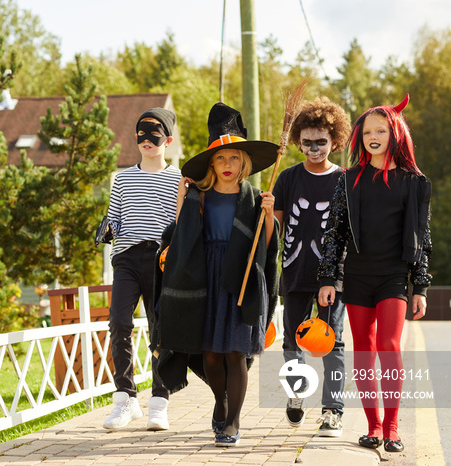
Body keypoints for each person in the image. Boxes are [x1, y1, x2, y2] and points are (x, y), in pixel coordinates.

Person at [154, 102, 280, 447]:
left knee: (235, 352)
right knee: (210, 352)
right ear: (211, 163)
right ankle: (220, 401)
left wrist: (268, 216)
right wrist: (181, 206)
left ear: (244, 162)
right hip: (204, 278)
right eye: (221, 158)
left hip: (239, 277)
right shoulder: (198, 195)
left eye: (234, 158)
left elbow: (265, 247)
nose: (227, 165)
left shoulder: (255, 198)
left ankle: (234, 422)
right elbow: (182, 239)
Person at [317, 94, 431, 453]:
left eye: (381, 129)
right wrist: (327, 278)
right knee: (364, 351)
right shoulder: (348, 180)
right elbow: (333, 231)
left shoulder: (414, 182)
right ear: (360, 137)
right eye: (367, 131)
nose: (373, 136)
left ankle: (393, 427)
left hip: (394, 277)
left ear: (395, 133)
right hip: (357, 276)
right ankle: (373, 426)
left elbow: (422, 237)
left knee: (389, 346)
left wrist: (421, 286)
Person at [273, 97, 351, 436]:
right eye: (307, 142)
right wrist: (264, 209)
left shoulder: (346, 181)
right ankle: (296, 395)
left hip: (330, 279)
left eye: (321, 141)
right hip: (293, 275)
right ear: (298, 142)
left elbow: (347, 234)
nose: (314, 148)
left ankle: (333, 411)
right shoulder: (288, 179)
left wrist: (333, 278)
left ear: (334, 141)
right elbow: (273, 231)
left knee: (331, 342)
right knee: (292, 342)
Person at [102, 107, 182, 430]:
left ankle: (159, 403)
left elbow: (179, 224)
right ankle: (125, 400)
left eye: (154, 134)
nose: (147, 140)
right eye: (141, 134)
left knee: (159, 330)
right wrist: (107, 228)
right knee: (119, 322)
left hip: (162, 260)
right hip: (126, 259)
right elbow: (115, 219)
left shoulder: (179, 179)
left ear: (168, 140)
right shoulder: (121, 179)